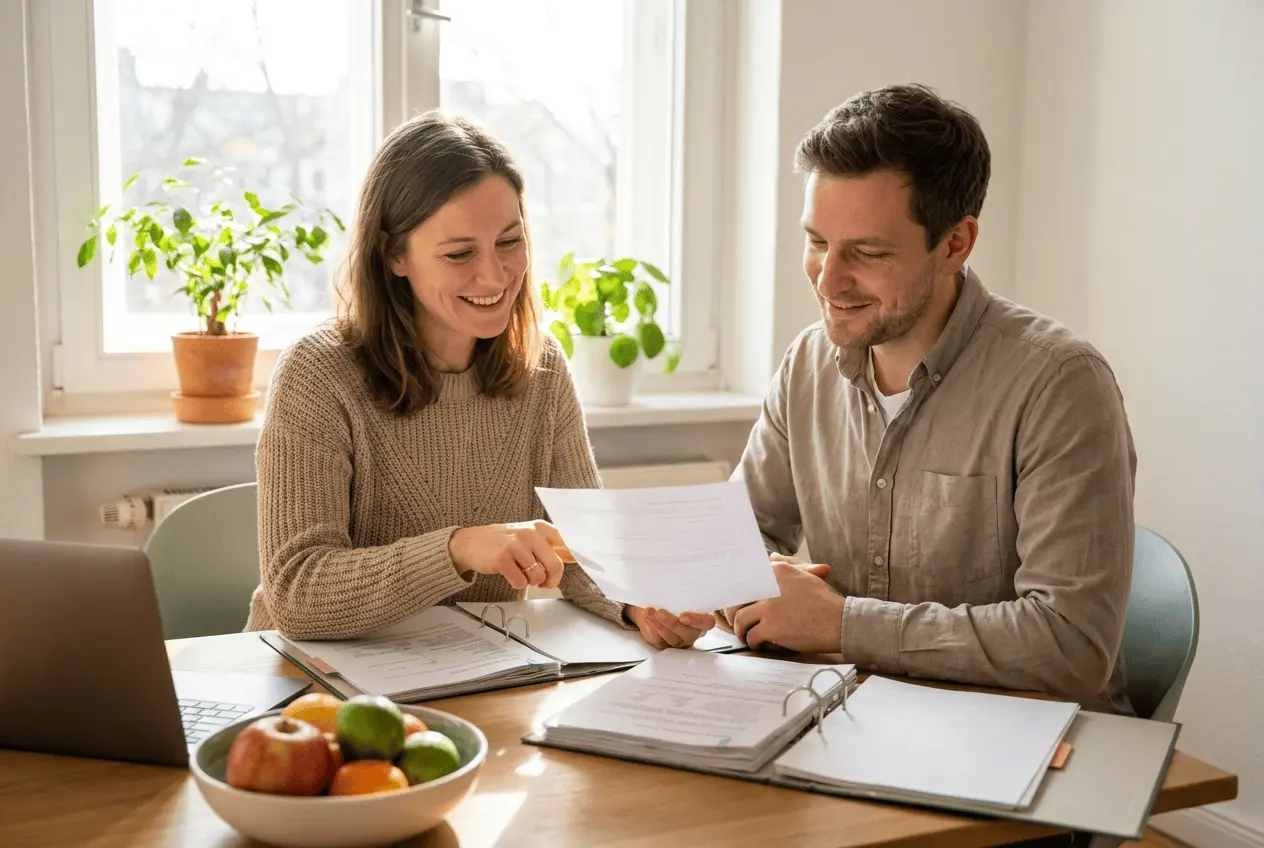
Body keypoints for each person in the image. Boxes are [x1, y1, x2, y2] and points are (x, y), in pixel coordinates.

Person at [726, 84, 1136, 715]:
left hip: (1024, 742)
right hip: (857, 721)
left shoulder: (1060, 384)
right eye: (816, 242)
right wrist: (736, 588)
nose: (827, 279)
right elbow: (736, 535)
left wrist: (841, 625)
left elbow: (1071, 645)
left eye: (866, 252)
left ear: (955, 244)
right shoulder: (807, 365)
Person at [243, 111, 714, 649]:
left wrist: (638, 604)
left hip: (470, 671)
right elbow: (297, 593)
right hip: (312, 685)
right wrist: (459, 549)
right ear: (394, 255)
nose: (494, 276)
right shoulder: (318, 375)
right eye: (459, 253)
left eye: (509, 242)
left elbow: (581, 549)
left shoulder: (541, 368)